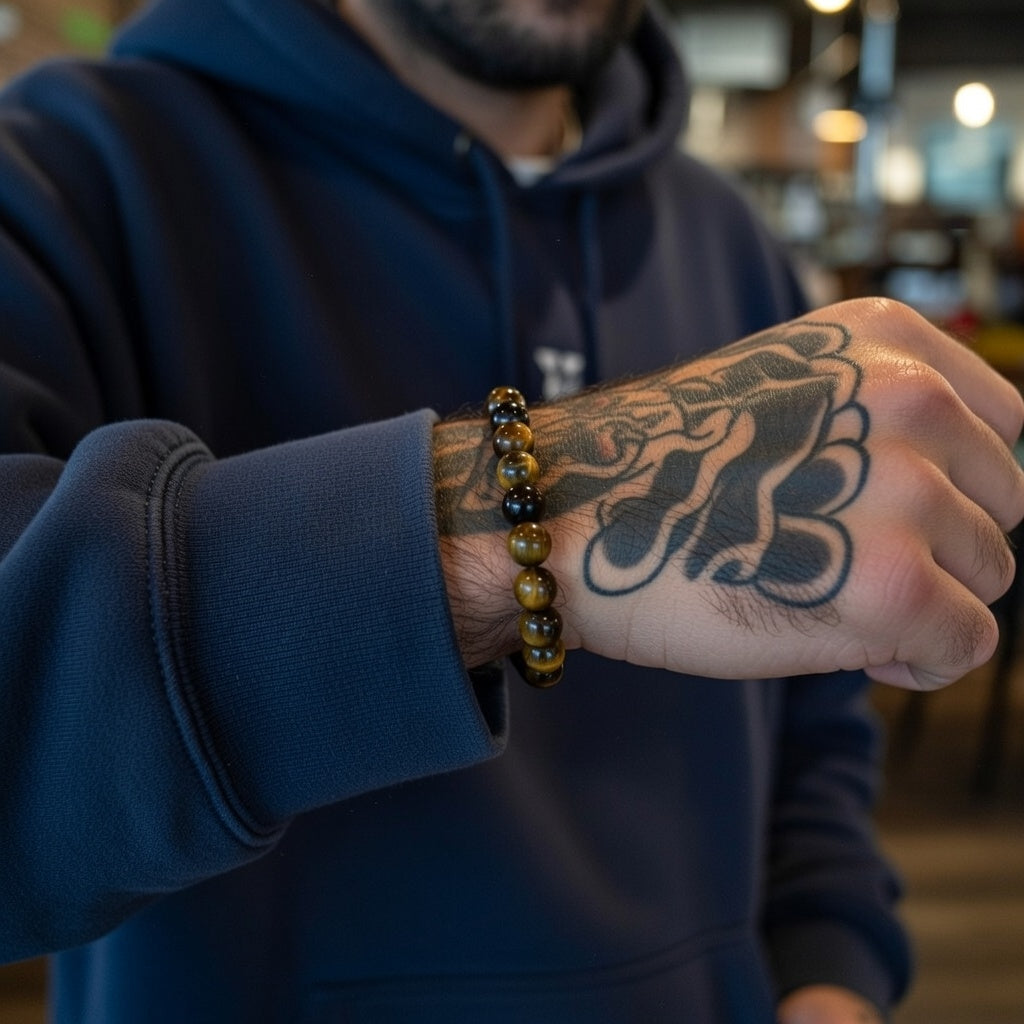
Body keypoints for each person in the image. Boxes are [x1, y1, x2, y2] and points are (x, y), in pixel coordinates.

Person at [0, 0, 1021, 1020]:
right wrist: (544, 508)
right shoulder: (67, 171)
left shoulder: (727, 238)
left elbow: (815, 714)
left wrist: (828, 962)